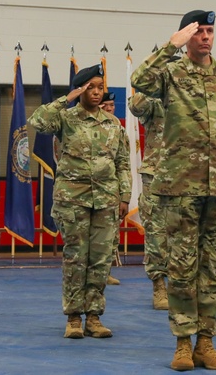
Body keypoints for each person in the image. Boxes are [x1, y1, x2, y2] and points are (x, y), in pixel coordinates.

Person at [132, 10, 216, 371]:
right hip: (179, 188)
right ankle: (183, 344)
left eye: (210, 31)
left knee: (214, 269)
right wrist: (171, 45)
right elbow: (140, 81)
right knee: (182, 269)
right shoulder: (170, 74)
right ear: (187, 35)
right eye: (199, 32)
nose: (205, 37)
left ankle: (207, 344)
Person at [28, 65, 130, 340]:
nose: (97, 92)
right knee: (76, 258)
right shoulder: (66, 118)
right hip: (72, 200)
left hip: (106, 200)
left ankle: (94, 316)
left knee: (100, 259)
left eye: (100, 87)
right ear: (81, 89)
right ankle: (74, 317)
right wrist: (67, 98)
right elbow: (37, 121)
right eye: (91, 87)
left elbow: (121, 162)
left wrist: (125, 196)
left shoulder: (113, 124)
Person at [128, 91, 169, 310]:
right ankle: (159, 286)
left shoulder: (195, 97)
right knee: (156, 233)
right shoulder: (155, 101)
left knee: (188, 235)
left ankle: (183, 287)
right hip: (157, 175)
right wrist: (154, 85)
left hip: (189, 176)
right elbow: (135, 107)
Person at [99, 91, 122, 287]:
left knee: (110, 234)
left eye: (112, 105)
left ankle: (105, 272)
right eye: (104, 105)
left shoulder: (117, 126)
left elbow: (123, 161)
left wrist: (125, 193)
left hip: (111, 187)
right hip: (87, 188)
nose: (109, 109)